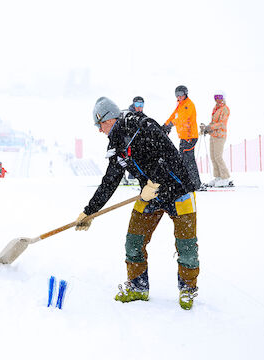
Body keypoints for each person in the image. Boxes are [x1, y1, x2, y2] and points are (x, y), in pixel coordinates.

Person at [75, 97, 200, 310]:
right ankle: (138, 287)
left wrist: (157, 180)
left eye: (100, 125)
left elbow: (170, 155)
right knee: (134, 240)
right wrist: (90, 211)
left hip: (178, 190)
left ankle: (188, 289)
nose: (99, 130)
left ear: (109, 118)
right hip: (150, 195)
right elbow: (110, 181)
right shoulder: (116, 145)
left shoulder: (142, 126)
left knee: (186, 245)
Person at [162, 85, 202, 189]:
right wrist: (165, 125)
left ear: (185, 94)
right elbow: (174, 116)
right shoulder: (180, 104)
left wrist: (170, 124)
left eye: (180, 94)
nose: (178, 96)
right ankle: (190, 182)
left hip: (190, 137)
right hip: (184, 137)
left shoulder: (188, 105)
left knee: (188, 161)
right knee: (183, 160)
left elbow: (182, 118)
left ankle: (195, 183)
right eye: (177, 94)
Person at [200, 91, 232, 187]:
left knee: (218, 156)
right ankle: (218, 177)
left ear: (223, 98)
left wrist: (210, 128)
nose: (218, 99)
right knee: (213, 157)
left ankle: (225, 177)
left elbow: (222, 123)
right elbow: (213, 122)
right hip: (213, 135)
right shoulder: (215, 109)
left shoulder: (225, 109)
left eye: (220, 97)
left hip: (220, 136)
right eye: (216, 97)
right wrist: (206, 129)